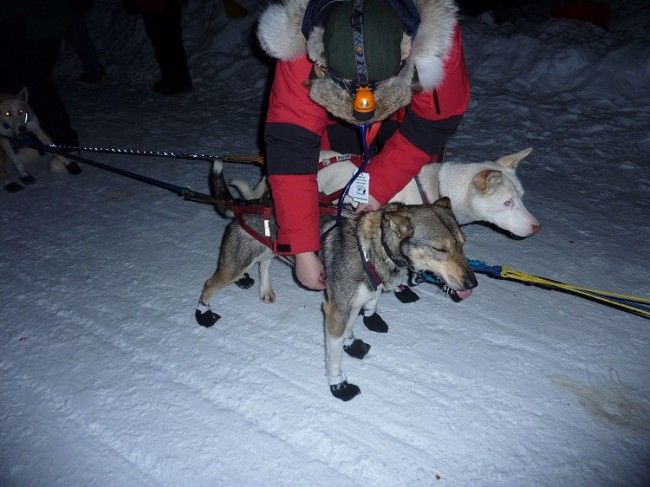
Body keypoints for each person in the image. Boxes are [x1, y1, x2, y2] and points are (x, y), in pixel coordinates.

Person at [257, 0, 470, 290]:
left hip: (406, 115)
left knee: (407, 180)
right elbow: (291, 148)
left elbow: (433, 123)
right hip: (333, 118)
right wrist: (303, 249)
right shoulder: (298, 43)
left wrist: (378, 186)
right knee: (334, 165)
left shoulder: (437, 43)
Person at [0, 0, 81, 149]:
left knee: (38, 83)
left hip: (31, 24)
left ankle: (63, 144)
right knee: (31, 83)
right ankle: (41, 140)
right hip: (32, 23)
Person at [128, 0, 193, 95]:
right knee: (161, 43)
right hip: (152, 6)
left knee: (170, 42)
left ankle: (178, 80)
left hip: (164, 5)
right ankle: (171, 78)